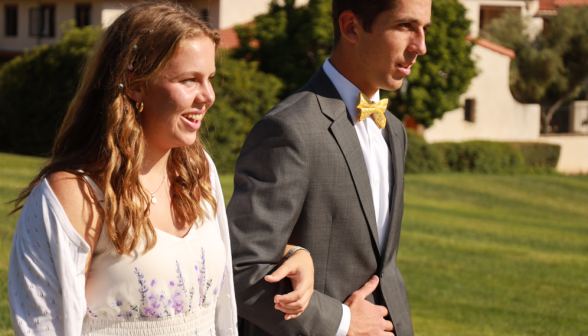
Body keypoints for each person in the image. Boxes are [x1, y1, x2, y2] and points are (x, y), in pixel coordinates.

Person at [7, 3, 314, 335]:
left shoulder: (200, 172)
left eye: (209, 78)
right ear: (136, 84)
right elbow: (42, 325)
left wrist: (293, 253)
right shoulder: (75, 194)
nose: (208, 96)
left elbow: (221, 254)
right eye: (189, 80)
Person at [227, 0, 431, 335]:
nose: (420, 46)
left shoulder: (394, 130)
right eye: (405, 26)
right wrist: (341, 323)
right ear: (351, 27)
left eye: (424, 29)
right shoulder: (289, 129)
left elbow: (383, 266)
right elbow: (241, 266)